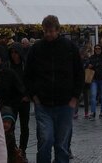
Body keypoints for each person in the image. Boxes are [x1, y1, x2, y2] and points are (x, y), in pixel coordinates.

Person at [22, 14, 83, 163]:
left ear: (58, 30)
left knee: (62, 144)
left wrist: (75, 98)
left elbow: (79, 73)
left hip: (65, 104)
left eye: (50, 31)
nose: (48, 34)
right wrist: (34, 97)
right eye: (45, 31)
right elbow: (28, 74)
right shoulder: (36, 49)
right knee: (45, 140)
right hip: (43, 104)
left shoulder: (69, 48)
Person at [0, 50, 25, 160]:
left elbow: (19, 92)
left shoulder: (9, 73)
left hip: (5, 115)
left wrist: (11, 108)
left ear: (1, 60)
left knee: (6, 142)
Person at [7, 43, 31, 152]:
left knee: (24, 126)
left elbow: (31, 81)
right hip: (12, 101)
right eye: (12, 52)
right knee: (10, 126)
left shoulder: (25, 65)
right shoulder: (8, 66)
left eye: (16, 52)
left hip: (24, 100)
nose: (14, 55)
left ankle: (23, 150)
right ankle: (13, 149)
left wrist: (28, 95)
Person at [84, 44, 102, 119]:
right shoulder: (92, 57)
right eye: (96, 48)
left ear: (101, 49)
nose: (97, 50)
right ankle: (93, 112)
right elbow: (86, 65)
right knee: (93, 96)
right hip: (94, 79)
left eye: (99, 48)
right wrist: (88, 65)